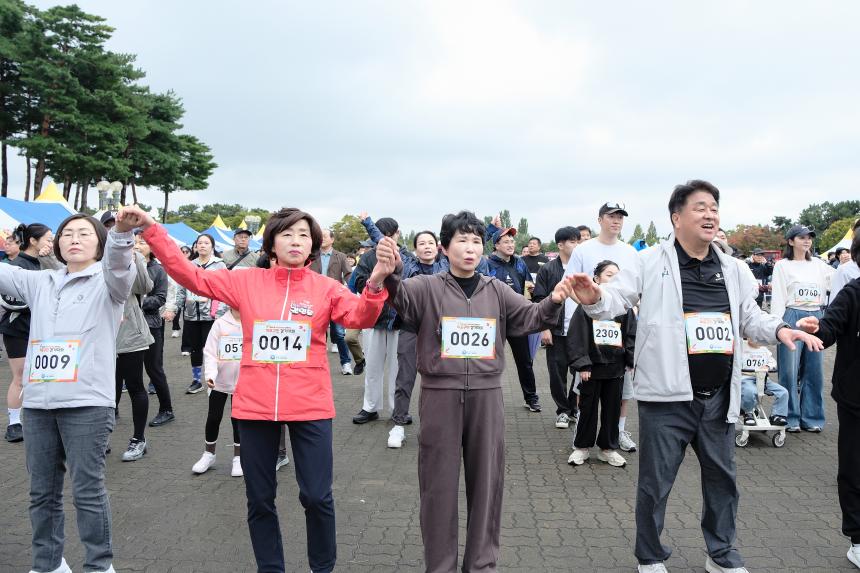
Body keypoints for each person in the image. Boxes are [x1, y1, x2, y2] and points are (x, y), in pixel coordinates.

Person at [124, 204, 397, 573]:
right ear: (271, 243)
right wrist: (152, 230)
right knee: (260, 499)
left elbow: (361, 316)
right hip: (254, 405)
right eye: (287, 234)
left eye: (304, 234)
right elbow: (189, 275)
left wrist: (377, 279)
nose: (296, 241)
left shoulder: (326, 288)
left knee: (316, 496)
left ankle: (323, 568)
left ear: (313, 244)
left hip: (310, 405)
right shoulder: (245, 281)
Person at [569, 179, 822, 573]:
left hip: (719, 396)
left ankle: (721, 555)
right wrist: (596, 300)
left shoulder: (734, 268)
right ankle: (650, 556)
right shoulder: (649, 261)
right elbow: (616, 298)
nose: (710, 215)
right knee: (655, 485)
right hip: (667, 398)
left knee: (723, 483)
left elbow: (750, 316)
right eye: (700, 208)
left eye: (715, 208)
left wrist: (780, 330)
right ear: (676, 218)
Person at [384, 210, 574, 573]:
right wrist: (392, 274)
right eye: (461, 241)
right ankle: (439, 566)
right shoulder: (426, 287)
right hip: (440, 396)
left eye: (475, 242)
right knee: (437, 487)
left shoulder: (496, 289)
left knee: (487, 484)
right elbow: (401, 302)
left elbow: (531, 318)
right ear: (444, 247)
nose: (470, 249)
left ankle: (481, 565)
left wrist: (555, 300)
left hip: (487, 397)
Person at [0, 212, 138, 573]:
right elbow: (5, 273)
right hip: (39, 404)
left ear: (99, 242)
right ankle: (47, 564)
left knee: (87, 491)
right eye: (67, 234)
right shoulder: (42, 282)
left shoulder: (109, 282)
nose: (74, 239)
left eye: (84, 233)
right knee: (41, 493)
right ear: (57, 243)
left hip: (87, 403)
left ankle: (98, 565)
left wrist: (122, 233)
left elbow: (122, 266)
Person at [796, 228, 860, 569]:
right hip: (855, 397)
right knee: (853, 468)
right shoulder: (853, 292)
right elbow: (831, 327)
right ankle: (858, 539)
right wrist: (815, 326)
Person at [564, 202, 640, 452]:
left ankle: (617, 434)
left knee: (621, 391)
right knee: (585, 387)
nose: (616, 220)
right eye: (611, 216)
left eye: (620, 217)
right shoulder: (584, 250)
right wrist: (589, 308)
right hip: (589, 325)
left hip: (621, 323)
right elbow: (571, 284)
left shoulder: (630, 252)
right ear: (600, 220)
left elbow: (637, 290)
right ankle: (582, 439)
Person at [567, 260, 635, 468]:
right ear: (596, 279)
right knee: (587, 409)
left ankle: (608, 449)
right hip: (591, 369)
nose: (612, 278)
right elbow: (577, 336)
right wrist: (583, 365)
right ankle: (581, 447)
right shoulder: (586, 305)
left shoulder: (625, 307)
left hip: (615, 368)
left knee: (612, 410)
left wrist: (630, 360)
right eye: (608, 274)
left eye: (616, 275)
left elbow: (631, 334)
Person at [769, 224, 835, 433]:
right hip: (792, 314)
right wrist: (777, 326)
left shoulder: (819, 264)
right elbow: (778, 296)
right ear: (791, 241)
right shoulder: (782, 266)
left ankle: (813, 417)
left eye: (809, 237)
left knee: (814, 370)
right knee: (788, 370)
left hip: (816, 316)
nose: (807, 241)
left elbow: (839, 283)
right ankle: (790, 417)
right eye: (801, 237)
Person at [2, 222, 53, 443]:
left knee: (43, 376)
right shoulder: (17, 266)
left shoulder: (47, 264)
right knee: (21, 377)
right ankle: (14, 422)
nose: (52, 243)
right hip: (18, 328)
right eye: (48, 239)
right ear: (33, 241)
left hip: (43, 328)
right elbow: (12, 300)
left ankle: (41, 419)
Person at [485, 223, 542, 412]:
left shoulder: (519, 262)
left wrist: (531, 294)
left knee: (524, 360)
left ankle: (531, 398)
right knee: (489, 360)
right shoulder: (487, 264)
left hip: (517, 318)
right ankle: (486, 398)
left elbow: (527, 286)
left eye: (512, 240)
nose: (510, 244)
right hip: (494, 319)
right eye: (506, 241)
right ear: (496, 245)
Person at [351, 216, 402, 424]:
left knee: (397, 368)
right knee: (372, 365)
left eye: (391, 235)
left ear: (397, 234)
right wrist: (376, 280)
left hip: (400, 319)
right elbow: (356, 283)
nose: (388, 240)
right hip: (374, 319)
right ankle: (369, 407)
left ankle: (397, 408)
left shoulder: (404, 256)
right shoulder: (368, 258)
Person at [532, 225, 581, 428]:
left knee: (580, 372)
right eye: (572, 241)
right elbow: (539, 299)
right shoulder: (548, 269)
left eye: (578, 241)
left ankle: (574, 408)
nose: (576, 245)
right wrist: (544, 328)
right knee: (557, 373)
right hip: (557, 330)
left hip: (580, 331)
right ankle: (562, 410)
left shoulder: (584, 268)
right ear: (560, 245)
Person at [193, 305, 244, 477]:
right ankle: (209, 454)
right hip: (220, 381)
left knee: (238, 419)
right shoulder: (220, 324)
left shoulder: (252, 322)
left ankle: (238, 457)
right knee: (214, 417)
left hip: (243, 383)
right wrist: (211, 376)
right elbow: (210, 352)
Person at [114, 250, 155, 461]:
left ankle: (138, 439)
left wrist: (135, 259)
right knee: (105, 390)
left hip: (130, 335)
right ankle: (100, 437)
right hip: (99, 335)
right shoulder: (94, 257)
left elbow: (145, 287)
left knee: (135, 386)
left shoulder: (133, 257)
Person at [175, 234, 227, 394]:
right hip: (191, 315)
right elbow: (181, 288)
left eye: (206, 243)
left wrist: (220, 312)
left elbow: (225, 289)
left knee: (214, 349)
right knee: (195, 349)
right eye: (200, 243)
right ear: (195, 246)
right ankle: (197, 380)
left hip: (212, 315)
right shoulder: (189, 265)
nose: (202, 245)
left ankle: (218, 381)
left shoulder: (219, 266)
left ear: (212, 246)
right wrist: (175, 307)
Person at [134, 233, 174, 427]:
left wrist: (137, 303)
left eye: (141, 242)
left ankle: (166, 409)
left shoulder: (158, 270)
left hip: (151, 325)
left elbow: (160, 298)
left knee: (154, 369)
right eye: (133, 243)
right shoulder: (124, 267)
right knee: (123, 372)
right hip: (126, 326)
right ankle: (113, 410)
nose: (137, 246)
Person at [310, 228, 355, 375]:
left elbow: (348, 274)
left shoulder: (340, 256)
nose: (322, 238)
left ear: (332, 239)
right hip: (315, 298)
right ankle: (315, 363)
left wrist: (352, 291)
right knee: (316, 332)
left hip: (335, 299)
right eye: (320, 236)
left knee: (339, 333)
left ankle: (346, 363)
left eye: (324, 236)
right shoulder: (311, 255)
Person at [738, 340, 787, 426]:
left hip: (763, 379)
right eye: (752, 337)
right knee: (749, 391)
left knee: (783, 392)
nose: (755, 340)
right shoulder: (742, 347)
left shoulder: (764, 350)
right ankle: (748, 412)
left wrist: (767, 366)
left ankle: (777, 415)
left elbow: (772, 362)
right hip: (746, 378)